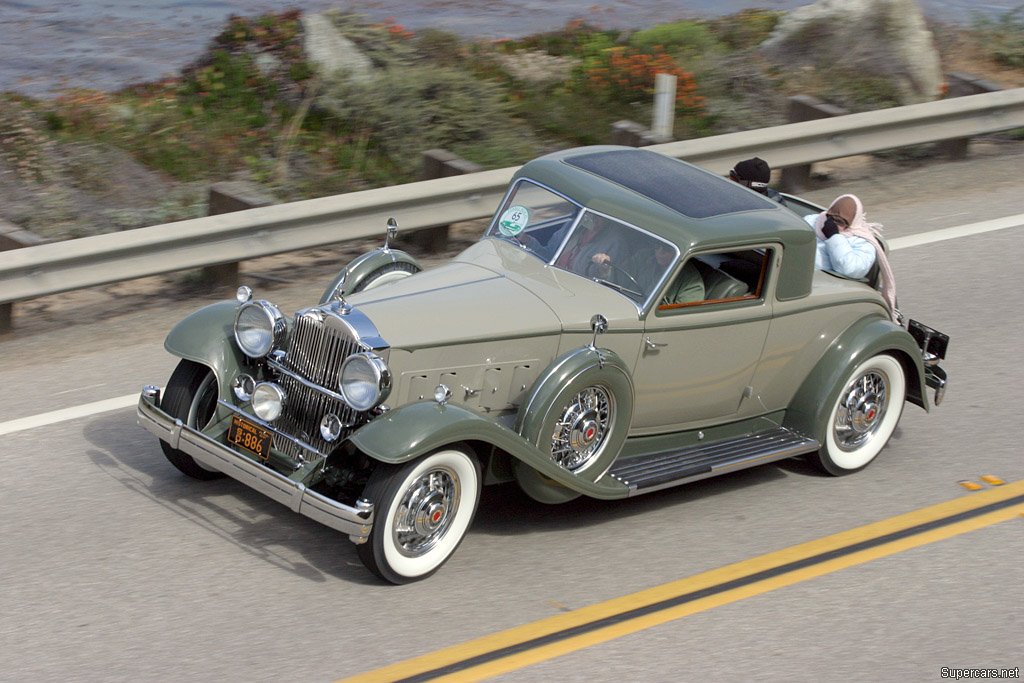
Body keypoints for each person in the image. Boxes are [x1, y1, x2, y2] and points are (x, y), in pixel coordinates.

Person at [809, 194, 898, 320]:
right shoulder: (813, 221)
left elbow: (851, 269)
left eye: (840, 221)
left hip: (826, 294)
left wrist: (834, 237)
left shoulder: (863, 243)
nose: (832, 223)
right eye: (830, 217)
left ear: (851, 223)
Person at [554, 212, 629, 277]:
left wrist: (604, 269)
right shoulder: (575, 225)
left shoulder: (615, 242)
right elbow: (550, 250)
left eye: (599, 215)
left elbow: (611, 280)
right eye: (590, 213)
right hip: (553, 275)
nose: (593, 218)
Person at [636, 243, 705, 304]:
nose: (660, 251)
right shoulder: (644, 259)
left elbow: (680, 316)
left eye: (667, 248)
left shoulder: (692, 284)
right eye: (657, 245)